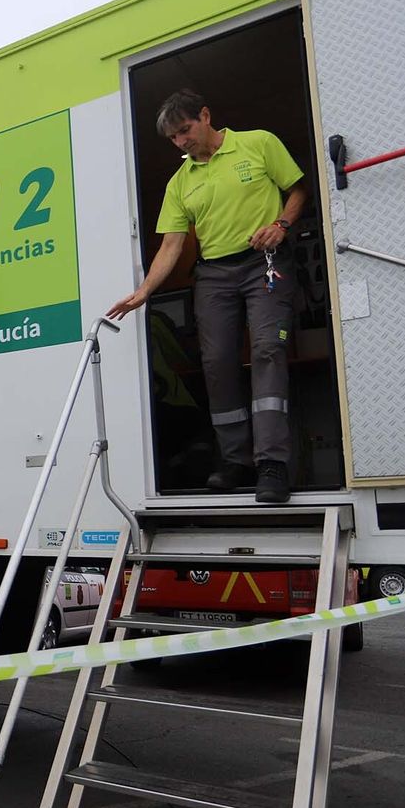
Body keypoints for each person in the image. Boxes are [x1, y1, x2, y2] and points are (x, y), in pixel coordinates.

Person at [108, 89, 308, 503]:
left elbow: (299, 190)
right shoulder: (180, 184)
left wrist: (282, 224)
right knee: (216, 363)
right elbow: (171, 245)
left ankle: (272, 463)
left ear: (205, 116)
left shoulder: (258, 144)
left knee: (269, 349)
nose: (182, 142)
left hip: (265, 262)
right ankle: (235, 461)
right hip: (215, 275)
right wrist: (143, 292)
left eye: (185, 130)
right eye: (174, 139)